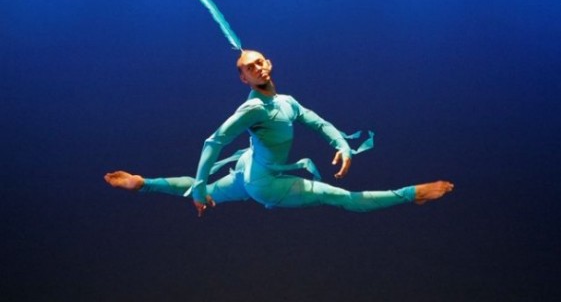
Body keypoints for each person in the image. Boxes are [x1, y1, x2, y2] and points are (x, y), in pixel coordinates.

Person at [105, 50, 453, 217]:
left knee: (209, 191)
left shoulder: (286, 102)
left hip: (249, 171)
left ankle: (142, 183)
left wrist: (342, 144)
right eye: (247, 68)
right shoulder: (255, 108)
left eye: (259, 62)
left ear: (268, 64)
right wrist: (196, 185)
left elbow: (317, 122)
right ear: (244, 79)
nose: (256, 68)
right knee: (341, 197)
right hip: (264, 183)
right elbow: (213, 141)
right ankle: (410, 194)